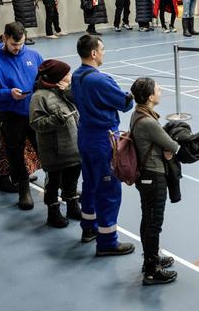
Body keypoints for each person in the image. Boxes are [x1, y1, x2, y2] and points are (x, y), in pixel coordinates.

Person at [71, 35, 134, 256]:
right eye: (102, 49)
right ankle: (107, 241)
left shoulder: (77, 76)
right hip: (102, 139)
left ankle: (89, 227)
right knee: (108, 188)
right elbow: (125, 103)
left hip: (85, 135)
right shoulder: (99, 80)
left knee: (89, 183)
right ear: (94, 53)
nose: (104, 53)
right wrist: (129, 95)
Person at [0, 22, 43, 210]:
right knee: (15, 154)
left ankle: (61, 187)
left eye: (21, 44)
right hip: (11, 115)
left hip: (35, 113)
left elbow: (43, 78)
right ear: (5, 38)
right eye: (14, 45)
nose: (18, 48)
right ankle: (24, 190)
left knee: (45, 149)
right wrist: (8, 93)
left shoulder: (34, 55)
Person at [129, 77, 180, 285]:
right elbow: (173, 146)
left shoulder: (138, 113)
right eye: (158, 89)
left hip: (146, 175)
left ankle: (151, 258)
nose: (161, 91)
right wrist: (167, 149)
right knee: (154, 222)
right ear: (150, 96)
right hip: (153, 175)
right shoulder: (148, 121)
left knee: (148, 218)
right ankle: (152, 270)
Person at [29, 59, 82, 229]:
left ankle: (72, 205)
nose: (70, 76)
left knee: (72, 178)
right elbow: (36, 123)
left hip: (73, 147)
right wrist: (56, 119)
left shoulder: (64, 91)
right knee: (53, 182)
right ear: (57, 77)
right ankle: (53, 211)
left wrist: (67, 89)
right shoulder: (39, 97)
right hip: (54, 151)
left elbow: (78, 100)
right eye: (67, 74)